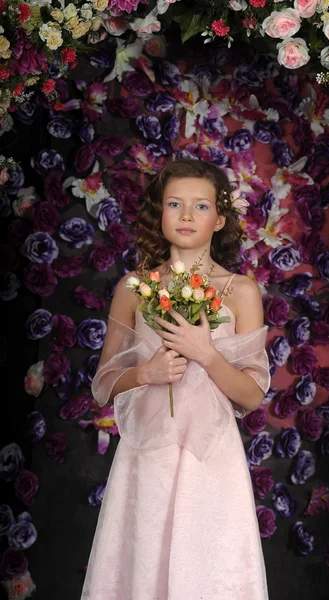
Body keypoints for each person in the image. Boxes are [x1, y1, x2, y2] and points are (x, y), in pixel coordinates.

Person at [81, 159, 271, 599]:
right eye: (174, 204)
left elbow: (252, 394)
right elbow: (102, 383)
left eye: (200, 205)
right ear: (159, 213)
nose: (186, 215)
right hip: (149, 452)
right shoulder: (134, 288)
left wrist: (206, 354)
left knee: (207, 570)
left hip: (211, 456)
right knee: (143, 567)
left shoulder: (240, 291)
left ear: (219, 218)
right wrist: (145, 372)